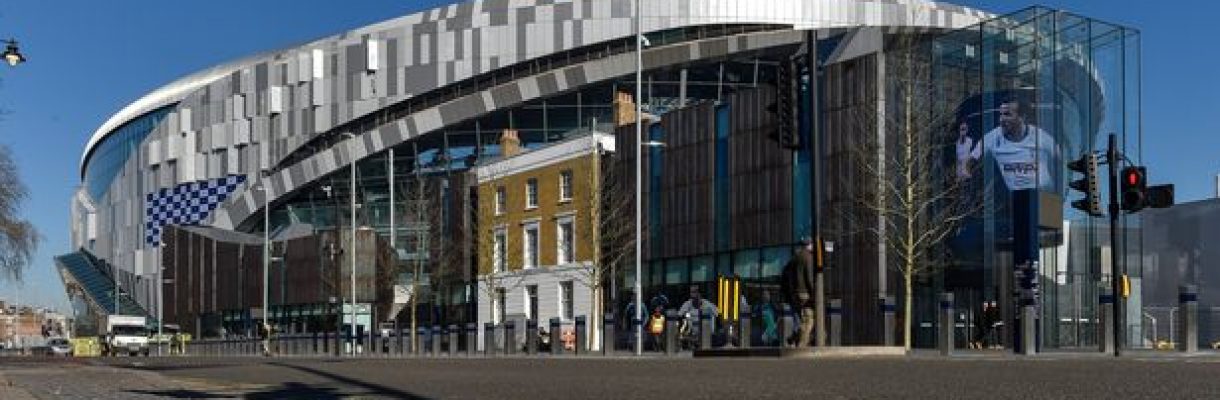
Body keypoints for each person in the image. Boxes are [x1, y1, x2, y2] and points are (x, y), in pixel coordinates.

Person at [982, 98, 1058, 191]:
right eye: (1000, 114)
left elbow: (1062, 161)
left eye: (1007, 114)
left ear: (1022, 117)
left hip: (1045, 195)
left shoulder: (1042, 137)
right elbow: (969, 160)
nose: (1001, 119)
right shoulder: (991, 138)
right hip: (1016, 197)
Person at [781, 237, 817, 348]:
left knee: (802, 319)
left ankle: (794, 338)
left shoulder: (794, 259)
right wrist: (815, 294)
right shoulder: (808, 258)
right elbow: (809, 278)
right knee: (808, 320)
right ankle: (801, 346)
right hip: (805, 293)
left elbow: (784, 275)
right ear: (810, 245)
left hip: (794, 294)